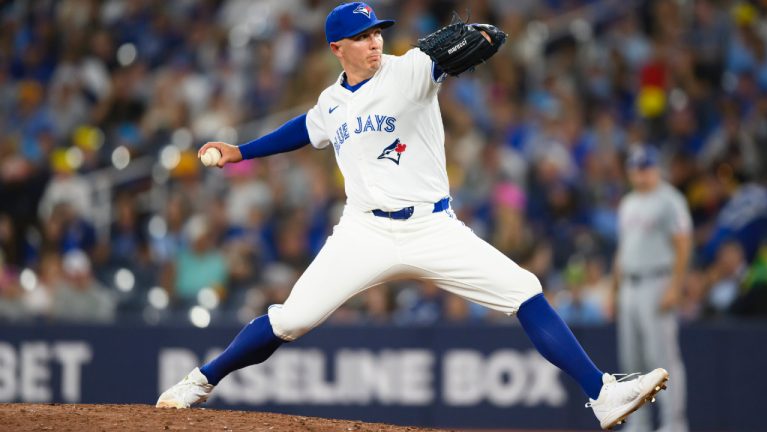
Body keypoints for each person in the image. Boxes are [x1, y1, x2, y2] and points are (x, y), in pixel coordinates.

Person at [156, 3, 669, 429]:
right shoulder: (332, 101)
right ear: (338, 48)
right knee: (292, 319)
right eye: (361, 36)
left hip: (432, 226)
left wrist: (484, 37)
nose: (375, 42)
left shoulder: (411, 70)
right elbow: (303, 129)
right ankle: (200, 380)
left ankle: (601, 392)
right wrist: (240, 152)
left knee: (524, 288)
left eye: (377, 32)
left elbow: (477, 44)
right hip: (365, 230)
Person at [614, 146, 691, 432]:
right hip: (630, 285)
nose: (641, 174)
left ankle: (674, 423)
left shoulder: (669, 200)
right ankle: (639, 422)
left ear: (656, 168)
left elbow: (683, 243)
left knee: (663, 359)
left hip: (657, 281)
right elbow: (623, 250)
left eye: (645, 168)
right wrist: (614, 289)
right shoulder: (628, 202)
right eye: (636, 169)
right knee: (632, 359)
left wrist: (675, 286)